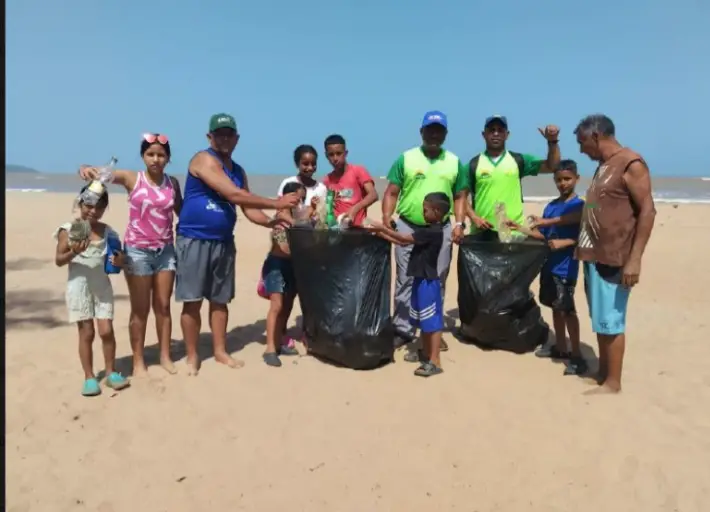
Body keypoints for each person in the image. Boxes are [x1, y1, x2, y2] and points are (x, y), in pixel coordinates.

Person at [532, 114, 656, 393]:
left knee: (612, 319)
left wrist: (635, 259)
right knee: (600, 318)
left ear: (596, 136)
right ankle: (603, 373)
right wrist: (549, 222)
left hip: (615, 256)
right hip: (593, 257)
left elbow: (647, 210)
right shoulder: (604, 167)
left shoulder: (631, 163)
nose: (580, 149)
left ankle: (613, 383)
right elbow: (590, 209)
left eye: (581, 142)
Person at [176, 113, 301, 375]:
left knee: (220, 300)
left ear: (237, 139)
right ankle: (191, 355)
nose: (224, 138)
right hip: (195, 238)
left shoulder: (238, 171)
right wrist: (277, 203)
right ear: (209, 137)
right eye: (219, 133)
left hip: (223, 242)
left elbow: (246, 206)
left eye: (229, 134)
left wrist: (270, 222)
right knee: (193, 300)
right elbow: (232, 194)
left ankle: (220, 351)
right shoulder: (202, 159)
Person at [79, 133, 182, 377]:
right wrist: (85, 168)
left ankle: (165, 355)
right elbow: (103, 174)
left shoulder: (172, 183)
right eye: (151, 154)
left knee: (164, 306)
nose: (156, 159)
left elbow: (182, 212)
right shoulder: (131, 178)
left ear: (168, 158)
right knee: (140, 309)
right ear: (143, 156)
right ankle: (138, 360)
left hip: (166, 250)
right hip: (137, 251)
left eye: (161, 155)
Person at [381, 110, 469, 353]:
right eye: (429, 130)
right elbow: (391, 192)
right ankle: (402, 328)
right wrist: (387, 217)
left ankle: (431, 330)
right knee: (405, 280)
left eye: (439, 131)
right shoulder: (406, 159)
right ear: (421, 132)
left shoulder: (454, 162)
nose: (434, 135)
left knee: (436, 280)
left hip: (440, 231)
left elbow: (461, 195)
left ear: (445, 134)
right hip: (408, 224)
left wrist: (460, 224)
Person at [507, 160, 587, 375]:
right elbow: (543, 236)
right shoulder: (550, 206)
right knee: (555, 307)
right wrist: (520, 228)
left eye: (567, 179)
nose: (563, 183)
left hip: (565, 268)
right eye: (559, 180)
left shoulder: (580, 205)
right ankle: (561, 347)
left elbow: (585, 236)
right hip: (549, 266)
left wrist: (565, 242)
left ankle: (577, 354)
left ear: (577, 179)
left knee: (568, 310)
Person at [54, 183, 130, 396]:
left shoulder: (107, 231)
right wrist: (73, 252)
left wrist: (120, 260)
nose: (92, 211)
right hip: (79, 287)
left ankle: (111, 372)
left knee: (106, 331)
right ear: (80, 203)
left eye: (98, 207)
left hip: (102, 286)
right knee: (86, 333)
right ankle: (89, 377)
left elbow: (116, 262)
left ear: (104, 208)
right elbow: (59, 260)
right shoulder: (69, 229)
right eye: (88, 205)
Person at [366, 192, 451, 377]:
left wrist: (382, 227)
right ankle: (426, 353)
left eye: (426, 210)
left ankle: (435, 361)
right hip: (420, 280)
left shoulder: (433, 231)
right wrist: (380, 233)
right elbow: (401, 243)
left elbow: (404, 239)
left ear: (436, 211)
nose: (423, 213)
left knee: (432, 323)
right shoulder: (428, 230)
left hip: (429, 283)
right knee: (422, 320)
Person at [466, 115, 561, 240]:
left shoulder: (518, 160)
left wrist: (552, 142)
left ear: (507, 135)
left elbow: (552, 166)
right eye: (492, 130)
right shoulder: (474, 164)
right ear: (484, 135)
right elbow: (459, 197)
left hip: (513, 233)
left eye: (500, 130)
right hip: (481, 233)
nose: (496, 134)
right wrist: (474, 218)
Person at [261, 181, 317, 367]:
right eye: (297, 199)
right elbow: (283, 246)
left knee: (286, 306)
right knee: (276, 306)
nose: (300, 203)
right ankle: (270, 348)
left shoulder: (295, 216)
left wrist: (314, 209)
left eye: (302, 199)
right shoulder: (280, 218)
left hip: (291, 265)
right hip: (277, 265)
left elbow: (306, 215)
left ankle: (279, 341)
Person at [322, 134, 378, 226]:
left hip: (357, 228)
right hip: (337, 230)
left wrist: (354, 209)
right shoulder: (327, 180)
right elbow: (328, 205)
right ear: (326, 156)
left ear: (345, 153)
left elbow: (373, 195)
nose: (335, 158)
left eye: (339, 153)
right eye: (331, 155)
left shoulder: (358, 171)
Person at [277, 144, 327, 209]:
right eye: (306, 164)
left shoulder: (321, 188)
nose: (310, 168)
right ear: (297, 164)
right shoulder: (288, 183)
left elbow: (322, 213)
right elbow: (280, 210)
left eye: (313, 164)